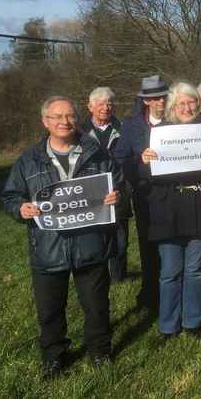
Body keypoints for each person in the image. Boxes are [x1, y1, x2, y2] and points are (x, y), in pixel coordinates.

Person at [2, 96, 121, 379]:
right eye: (56, 117)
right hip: (48, 247)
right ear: (45, 122)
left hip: (91, 243)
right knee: (50, 310)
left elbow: (120, 185)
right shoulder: (28, 160)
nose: (64, 122)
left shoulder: (97, 153)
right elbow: (10, 195)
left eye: (68, 116)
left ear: (76, 119)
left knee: (96, 306)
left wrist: (118, 197)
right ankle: (54, 357)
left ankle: (99, 352)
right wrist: (21, 208)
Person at [141, 82, 201, 339]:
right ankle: (168, 325)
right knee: (170, 271)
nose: (187, 107)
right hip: (167, 208)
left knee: (196, 268)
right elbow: (141, 175)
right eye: (181, 103)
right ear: (171, 107)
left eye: (191, 102)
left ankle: (193, 321)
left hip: (200, 206)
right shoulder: (158, 133)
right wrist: (145, 162)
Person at [113, 75, 169, 311]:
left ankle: (171, 289)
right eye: (155, 98)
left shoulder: (176, 122)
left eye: (163, 97)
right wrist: (139, 159)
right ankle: (150, 291)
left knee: (172, 243)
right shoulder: (131, 126)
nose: (160, 102)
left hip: (173, 190)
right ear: (146, 101)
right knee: (147, 243)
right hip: (145, 194)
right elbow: (120, 158)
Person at [81, 86, 130, 282]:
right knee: (92, 237)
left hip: (118, 188)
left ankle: (118, 276)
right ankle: (94, 274)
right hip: (89, 191)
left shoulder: (123, 129)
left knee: (120, 238)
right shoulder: (80, 132)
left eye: (109, 103)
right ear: (90, 107)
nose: (106, 107)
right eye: (101, 103)